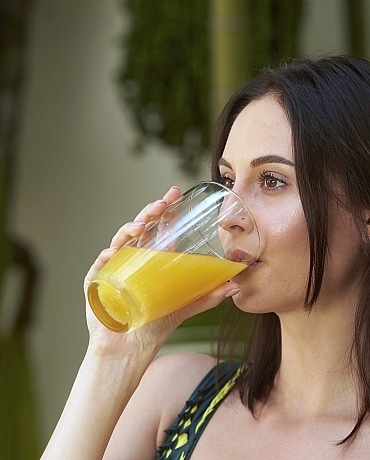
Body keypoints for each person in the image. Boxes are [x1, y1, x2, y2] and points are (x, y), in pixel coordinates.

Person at [41, 55, 370, 459]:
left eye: (272, 180)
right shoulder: (176, 399)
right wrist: (114, 354)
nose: (228, 216)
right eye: (229, 180)